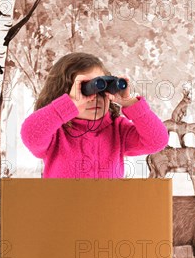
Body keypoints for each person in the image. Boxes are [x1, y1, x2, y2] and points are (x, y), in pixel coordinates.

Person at [20, 53, 169, 178]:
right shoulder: (56, 133)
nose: (95, 98)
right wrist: (69, 105)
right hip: (63, 210)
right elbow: (31, 133)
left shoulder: (117, 130)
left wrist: (130, 104)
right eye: (86, 91)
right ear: (64, 94)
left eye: (102, 90)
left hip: (106, 211)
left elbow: (157, 141)